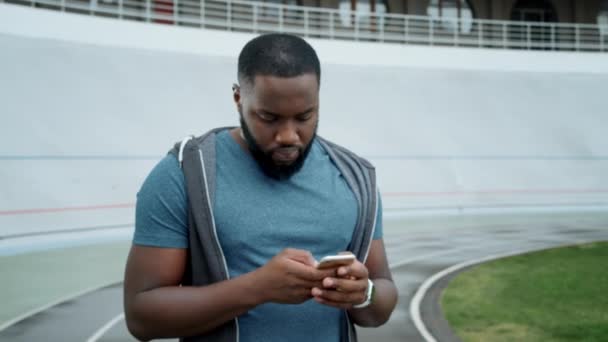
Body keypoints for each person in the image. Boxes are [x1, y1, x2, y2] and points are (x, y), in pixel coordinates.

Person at [123, 33, 398, 342]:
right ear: (238, 98)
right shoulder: (184, 174)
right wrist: (258, 288)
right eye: (269, 117)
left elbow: (382, 298)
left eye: (304, 117)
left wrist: (364, 293)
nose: (288, 136)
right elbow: (141, 316)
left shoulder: (356, 178)